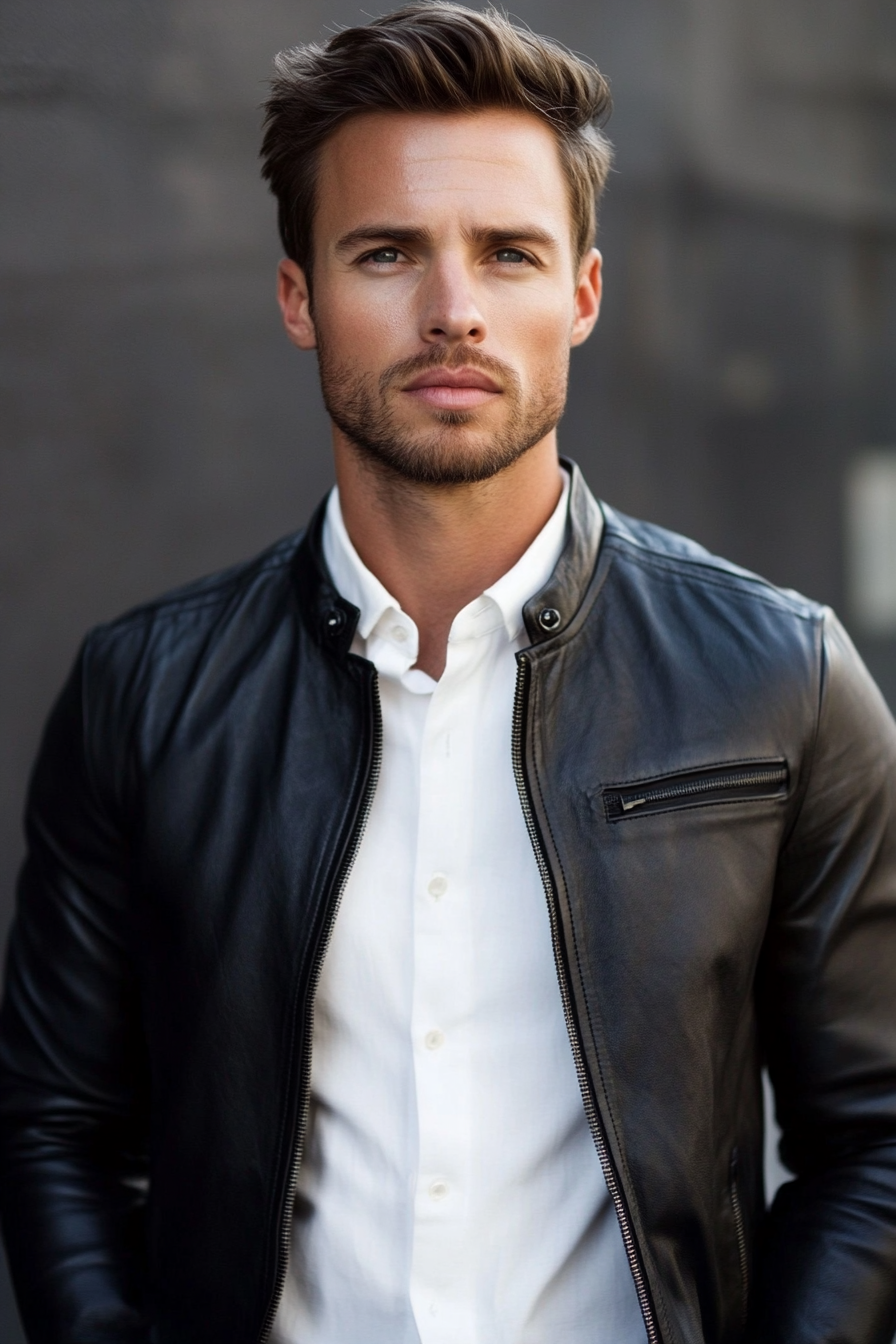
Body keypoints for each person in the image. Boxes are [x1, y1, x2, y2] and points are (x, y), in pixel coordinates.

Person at [2, 4, 896, 1341]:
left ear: (582, 293)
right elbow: (60, 1125)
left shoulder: (781, 678)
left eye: (509, 253)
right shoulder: (143, 699)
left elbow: (877, 1138)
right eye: (386, 253)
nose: (453, 310)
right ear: (300, 296)